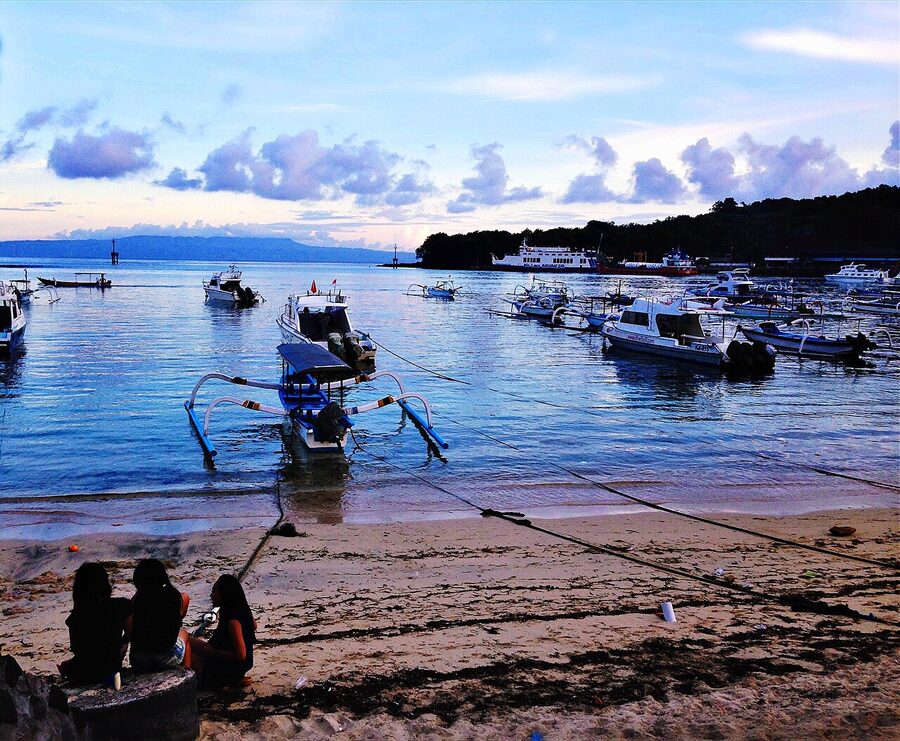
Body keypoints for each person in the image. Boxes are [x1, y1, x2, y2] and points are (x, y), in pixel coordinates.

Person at [59, 562, 131, 685]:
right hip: (111, 665)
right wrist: (122, 644)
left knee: (66, 666)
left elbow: (76, 648)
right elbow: (130, 633)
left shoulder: (77, 615)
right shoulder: (122, 605)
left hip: (86, 670)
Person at [189, 574, 255, 687]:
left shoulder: (233, 622)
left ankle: (198, 684)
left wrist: (213, 653)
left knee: (184, 654)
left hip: (227, 670)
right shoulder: (243, 611)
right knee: (185, 639)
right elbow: (253, 626)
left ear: (224, 595)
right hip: (234, 667)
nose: (211, 595)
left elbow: (241, 655)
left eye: (214, 592)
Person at [127, 559, 191, 671]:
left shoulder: (137, 600)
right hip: (165, 658)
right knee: (184, 634)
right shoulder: (174, 596)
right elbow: (178, 619)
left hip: (139, 660)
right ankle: (187, 674)